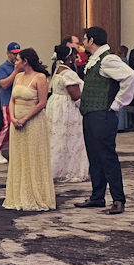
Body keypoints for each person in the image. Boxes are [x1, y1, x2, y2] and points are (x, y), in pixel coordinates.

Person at [73, 27, 134, 215]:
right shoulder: (95, 59)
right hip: (91, 114)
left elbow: (131, 76)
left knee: (107, 157)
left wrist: (117, 103)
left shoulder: (108, 59)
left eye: (85, 38)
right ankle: (97, 196)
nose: (83, 42)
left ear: (91, 40)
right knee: (94, 156)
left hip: (102, 115)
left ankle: (118, 199)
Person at [3, 48, 55, 212]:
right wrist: (12, 118)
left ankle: (36, 195)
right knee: (19, 157)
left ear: (25, 61)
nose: (15, 62)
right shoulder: (18, 77)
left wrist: (25, 119)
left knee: (33, 156)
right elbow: (12, 100)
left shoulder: (40, 77)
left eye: (18, 59)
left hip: (33, 122)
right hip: (16, 122)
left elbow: (42, 103)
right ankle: (19, 195)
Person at [47, 44, 86, 183]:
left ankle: (57, 167)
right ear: (69, 57)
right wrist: (85, 108)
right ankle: (70, 169)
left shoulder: (57, 70)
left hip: (56, 106)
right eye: (74, 55)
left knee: (58, 137)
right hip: (67, 108)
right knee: (71, 138)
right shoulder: (69, 73)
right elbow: (75, 95)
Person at [0, 42, 21, 164]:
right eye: (14, 54)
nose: (16, 56)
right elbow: (4, 84)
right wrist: (16, 71)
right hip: (7, 102)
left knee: (18, 127)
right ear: (8, 53)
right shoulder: (2, 68)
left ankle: (16, 151)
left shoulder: (22, 67)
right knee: (8, 126)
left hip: (20, 102)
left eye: (18, 54)